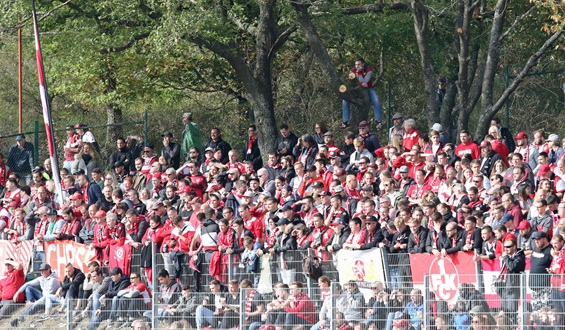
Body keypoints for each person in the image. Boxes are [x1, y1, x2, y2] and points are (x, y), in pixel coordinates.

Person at [340, 57, 383, 130]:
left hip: (368, 88)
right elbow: (352, 81)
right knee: (345, 101)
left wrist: (359, 74)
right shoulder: (352, 71)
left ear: (363, 64)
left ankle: (378, 122)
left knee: (376, 100)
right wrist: (360, 81)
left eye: (359, 64)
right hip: (355, 89)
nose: (357, 66)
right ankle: (345, 122)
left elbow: (365, 81)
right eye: (356, 64)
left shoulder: (368, 70)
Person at [498, 237, 525, 317]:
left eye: (508, 247)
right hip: (504, 287)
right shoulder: (506, 257)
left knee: (511, 312)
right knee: (504, 312)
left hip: (513, 287)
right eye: (505, 247)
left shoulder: (519, 255)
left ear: (514, 246)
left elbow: (512, 266)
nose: (506, 249)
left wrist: (505, 257)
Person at [529, 230, 553, 310]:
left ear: (544, 239)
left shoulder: (550, 250)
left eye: (538, 239)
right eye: (535, 240)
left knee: (545, 313)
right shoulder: (535, 249)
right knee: (535, 314)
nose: (536, 241)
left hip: (545, 289)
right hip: (534, 290)